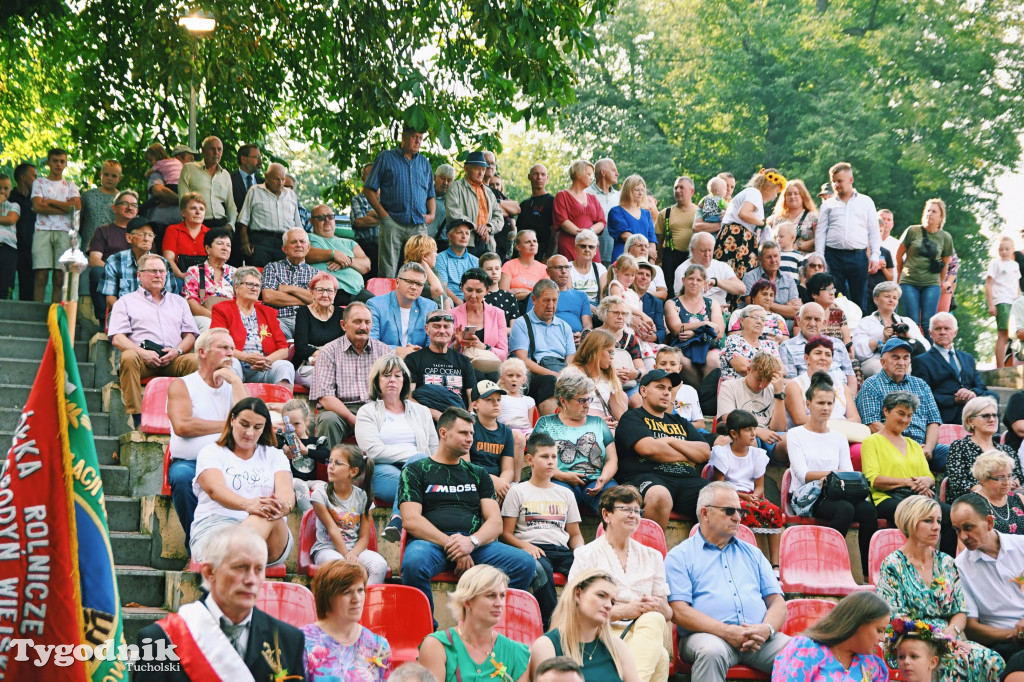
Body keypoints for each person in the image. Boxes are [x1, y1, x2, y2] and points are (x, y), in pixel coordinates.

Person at [398, 407, 534, 614]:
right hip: (432, 544)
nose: (470, 438)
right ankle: (425, 631)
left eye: (471, 433)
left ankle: (494, 625)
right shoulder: (416, 470)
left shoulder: (479, 473)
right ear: (443, 433)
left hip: (476, 545)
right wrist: (454, 545)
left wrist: (471, 542)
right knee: (413, 563)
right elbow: (411, 520)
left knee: (524, 563)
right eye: (463, 433)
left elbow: (495, 523)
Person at [136, 526, 305, 681]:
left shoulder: (289, 640)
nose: (251, 580)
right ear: (210, 572)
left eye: (258, 570)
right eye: (240, 567)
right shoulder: (159, 640)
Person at [665, 481, 790, 681]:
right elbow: (679, 611)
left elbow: (777, 602)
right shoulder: (680, 556)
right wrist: (727, 631)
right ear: (705, 513)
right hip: (709, 637)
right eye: (730, 510)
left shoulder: (754, 554)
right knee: (711, 652)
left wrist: (766, 629)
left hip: (760, 640)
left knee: (802, 651)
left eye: (739, 511)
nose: (738, 517)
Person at [876, 495, 1005, 681]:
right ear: (910, 522)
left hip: (948, 639)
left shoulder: (946, 562)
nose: (936, 526)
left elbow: (960, 611)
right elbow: (895, 618)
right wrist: (935, 638)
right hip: (910, 641)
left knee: (991, 660)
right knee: (945, 663)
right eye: (928, 521)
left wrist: (951, 632)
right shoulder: (893, 564)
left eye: (938, 521)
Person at [567, 485, 673, 682]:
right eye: (626, 509)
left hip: (644, 631)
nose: (633, 515)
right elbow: (573, 609)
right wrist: (625, 611)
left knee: (655, 620)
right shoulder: (587, 555)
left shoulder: (653, 556)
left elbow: (668, 613)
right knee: (660, 656)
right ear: (606, 515)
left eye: (636, 510)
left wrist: (657, 606)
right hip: (602, 631)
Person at [787, 371, 878, 576]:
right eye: (820, 403)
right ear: (808, 404)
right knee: (844, 510)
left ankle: (867, 573)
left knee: (867, 511)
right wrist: (833, 474)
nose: (826, 408)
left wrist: (835, 476)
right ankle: (824, 567)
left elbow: (848, 471)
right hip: (808, 495)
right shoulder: (795, 434)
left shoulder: (838, 437)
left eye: (829, 403)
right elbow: (802, 474)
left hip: (835, 491)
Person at [166, 328, 248, 551]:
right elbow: (183, 426)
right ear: (202, 352)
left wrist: (238, 384)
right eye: (223, 348)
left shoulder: (233, 386)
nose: (230, 353)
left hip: (228, 463)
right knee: (182, 477)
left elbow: (248, 424)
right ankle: (197, 547)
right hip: (189, 463)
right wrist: (229, 426)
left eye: (232, 348)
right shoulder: (183, 384)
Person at [190, 397, 295, 565]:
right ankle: (235, 559)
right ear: (232, 420)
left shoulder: (275, 455)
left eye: (257, 427)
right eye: (244, 425)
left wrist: (284, 506)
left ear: (264, 428)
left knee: (267, 512)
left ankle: (232, 558)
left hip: (270, 535)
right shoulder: (211, 452)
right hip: (217, 526)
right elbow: (214, 490)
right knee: (264, 510)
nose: (250, 433)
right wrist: (248, 505)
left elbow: (286, 491)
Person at [501, 432, 585, 627]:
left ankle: (581, 626)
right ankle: (552, 626)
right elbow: (505, 534)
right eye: (544, 457)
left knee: (588, 574)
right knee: (542, 571)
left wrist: (581, 551)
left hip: (561, 549)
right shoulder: (518, 491)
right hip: (533, 549)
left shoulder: (565, 493)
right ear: (529, 459)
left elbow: (575, 534)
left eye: (554, 457)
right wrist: (524, 546)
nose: (550, 462)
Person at [107, 253, 199, 425]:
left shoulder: (179, 302)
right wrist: (143, 353)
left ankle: (192, 415)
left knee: (196, 361)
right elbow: (117, 338)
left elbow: (190, 335)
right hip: (142, 361)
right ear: (139, 275)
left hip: (172, 358)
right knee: (127, 357)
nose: (158, 275)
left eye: (162, 272)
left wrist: (177, 351)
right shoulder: (125, 302)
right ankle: (137, 417)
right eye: (153, 271)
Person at [861, 393, 955, 555]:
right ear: (886, 411)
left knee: (952, 515)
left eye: (909, 415)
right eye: (901, 413)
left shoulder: (913, 445)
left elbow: (928, 476)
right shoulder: (872, 441)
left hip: (915, 497)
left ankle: (945, 564)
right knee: (920, 514)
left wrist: (926, 481)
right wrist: (908, 482)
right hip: (886, 498)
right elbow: (873, 479)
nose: (905, 420)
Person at [355, 354, 436, 542]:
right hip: (381, 471)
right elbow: (373, 451)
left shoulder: (422, 411)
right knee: (416, 465)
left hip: (422, 471)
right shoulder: (367, 411)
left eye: (398, 375)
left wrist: (419, 459)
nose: (392, 379)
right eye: (386, 375)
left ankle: (398, 519)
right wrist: (414, 454)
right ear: (377, 380)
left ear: (405, 381)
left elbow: (434, 448)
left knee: (416, 466)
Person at [615, 369, 711, 526]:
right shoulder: (632, 418)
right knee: (660, 496)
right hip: (647, 477)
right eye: (660, 387)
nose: (667, 393)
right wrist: (689, 455)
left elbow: (705, 452)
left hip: (688, 480)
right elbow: (649, 449)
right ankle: (650, 550)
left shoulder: (680, 421)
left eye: (669, 389)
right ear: (643, 391)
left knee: (720, 498)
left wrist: (670, 441)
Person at [951, 492, 1024, 679]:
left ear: (989, 523)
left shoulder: (1021, 546)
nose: (964, 536)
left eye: (968, 527)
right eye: (957, 530)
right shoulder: (960, 567)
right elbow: (973, 629)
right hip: (1006, 642)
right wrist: (1015, 633)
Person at [418, 564, 530, 682]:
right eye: (491, 595)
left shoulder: (516, 654)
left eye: (502, 595)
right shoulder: (437, 646)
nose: (499, 603)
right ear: (467, 601)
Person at [528, 569, 639, 682]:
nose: (609, 606)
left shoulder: (618, 647)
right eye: (601, 595)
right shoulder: (547, 645)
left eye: (612, 602)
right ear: (578, 594)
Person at [307, 301, 390, 446]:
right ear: (343, 325)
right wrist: (353, 419)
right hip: (340, 412)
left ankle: (386, 467)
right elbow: (326, 398)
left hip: (375, 410)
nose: (363, 327)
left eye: (367, 322)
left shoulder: (384, 351)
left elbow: (392, 391)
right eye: (357, 322)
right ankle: (328, 467)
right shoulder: (329, 351)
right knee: (328, 420)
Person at [534, 373, 618, 516]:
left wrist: (603, 479)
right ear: (563, 401)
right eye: (581, 400)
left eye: (589, 399)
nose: (587, 404)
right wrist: (562, 476)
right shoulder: (545, 424)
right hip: (558, 479)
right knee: (557, 501)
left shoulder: (598, 423)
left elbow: (612, 459)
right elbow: (536, 460)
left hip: (596, 480)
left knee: (619, 504)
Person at [857, 338, 946, 469]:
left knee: (959, 455)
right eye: (895, 358)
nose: (902, 363)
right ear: (883, 362)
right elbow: (872, 423)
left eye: (906, 358)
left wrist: (928, 448)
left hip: (923, 447)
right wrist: (905, 446)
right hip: (890, 447)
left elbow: (933, 421)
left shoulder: (920, 384)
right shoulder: (871, 384)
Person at [711, 410, 784, 567]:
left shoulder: (757, 454)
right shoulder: (722, 453)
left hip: (751, 496)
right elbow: (719, 485)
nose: (753, 434)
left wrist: (755, 497)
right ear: (734, 433)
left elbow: (759, 486)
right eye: (747, 430)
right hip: (728, 496)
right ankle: (747, 559)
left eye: (754, 429)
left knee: (773, 511)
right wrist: (744, 498)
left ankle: (775, 565)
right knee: (743, 509)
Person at [363, 124, 436, 279]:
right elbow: (368, 189)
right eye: (414, 137)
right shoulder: (385, 158)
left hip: (418, 223)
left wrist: (432, 215)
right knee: (388, 269)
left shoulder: (424, 162)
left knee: (421, 267)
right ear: (403, 137)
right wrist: (384, 216)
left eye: (421, 138)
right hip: (392, 221)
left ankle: (417, 301)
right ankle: (386, 300)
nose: (418, 141)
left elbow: (430, 194)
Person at [309, 445, 389, 583]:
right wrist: (347, 556)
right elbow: (332, 529)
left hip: (355, 551)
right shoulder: (320, 494)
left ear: (353, 471)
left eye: (338, 463)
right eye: (330, 461)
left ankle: (365, 603)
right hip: (326, 550)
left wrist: (352, 554)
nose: (331, 466)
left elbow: (364, 537)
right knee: (343, 566)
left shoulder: (363, 497)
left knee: (379, 565)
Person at [302, 559, 392, 681]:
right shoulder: (303, 642)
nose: (356, 599)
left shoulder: (378, 645)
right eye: (347, 592)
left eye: (360, 590)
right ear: (327, 597)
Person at [772, 591, 891, 681]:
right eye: (879, 630)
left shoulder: (873, 665)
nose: (882, 638)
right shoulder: (806, 650)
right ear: (859, 624)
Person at [211, 267, 295, 386]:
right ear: (237, 288)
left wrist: (266, 360)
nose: (255, 288)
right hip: (238, 362)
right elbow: (218, 344)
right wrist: (245, 357)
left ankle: (281, 404)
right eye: (250, 284)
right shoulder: (222, 309)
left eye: (257, 285)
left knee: (285, 366)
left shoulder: (268, 313)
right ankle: (234, 403)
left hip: (263, 367)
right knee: (230, 363)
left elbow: (283, 349)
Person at [815, 162, 882, 311]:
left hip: (858, 257)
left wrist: (875, 256)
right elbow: (821, 232)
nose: (836, 185)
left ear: (851, 180)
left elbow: (874, 230)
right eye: (833, 181)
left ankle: (859, 333)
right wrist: (820, 257)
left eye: (839, 181)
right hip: (833, 256)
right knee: (835, 299)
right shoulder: (827, 205)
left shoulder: (866, 202)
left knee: (859, 299)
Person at [911, 313, 996, 426]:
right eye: (938, 329)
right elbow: (921, 396)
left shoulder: (968, 358)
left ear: (955, 332)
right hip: (945, 412)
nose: (942, 332)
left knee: (992, 395)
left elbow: (980, 386)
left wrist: (972, 393)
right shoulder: (921, 361)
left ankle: (993, 438)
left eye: (947, 328)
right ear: (930, 333)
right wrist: (954, 400)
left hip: (972, 407)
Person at [508, 280, 576, 415]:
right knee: (550, 382)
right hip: (534, 376)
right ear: (534, 299)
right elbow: (523, 361)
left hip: (561, 372)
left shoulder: (564, 326)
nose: (551, 305)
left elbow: (571, 358)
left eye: (554, 300)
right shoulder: (522, 324)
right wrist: (556, 376)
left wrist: (565, 374)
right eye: (546, 300)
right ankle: (551, 429)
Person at [712, 169, 786, 287]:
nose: (775, 195)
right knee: (737, 278)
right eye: (776, 191)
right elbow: (744, 213)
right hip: (738, 239)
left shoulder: (753, 195)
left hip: (737, 237)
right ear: (768, 186)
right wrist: (762, 224)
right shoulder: (754, 193)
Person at [896, 198, 954, 343]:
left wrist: (940, 282)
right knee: (912, 321)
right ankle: (914, 355)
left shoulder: (945, 237)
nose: (930, 214)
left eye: (934, 211)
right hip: (909, 281)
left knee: (929, 322)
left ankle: (932, 353)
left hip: (931, 284)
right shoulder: (912, 231)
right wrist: (901, 273)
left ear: (941, 216)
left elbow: (946, 262)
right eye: (928, 210)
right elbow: (898, 254)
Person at [945, 396, 1023, 502]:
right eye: (986, 416)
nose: (992, 419)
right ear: (970, 421)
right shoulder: (960, 447)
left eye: (995, 415)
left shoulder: (1007, 450)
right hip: (973, 504)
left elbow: (1020, 482)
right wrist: (994, 489)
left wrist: (1014, 482)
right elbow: (958, 485)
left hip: (1007, 503)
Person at [717, 352, 789, 463]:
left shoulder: (773, 389)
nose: (762, 385)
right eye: (759, 379)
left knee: (791, 441)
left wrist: (779, 393)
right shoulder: (729, 386)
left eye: (767, 381)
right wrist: (757, 432)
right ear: (749, 370)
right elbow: (729, 419)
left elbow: (779, 429)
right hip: (743, 433)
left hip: (769, 436)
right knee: (749, 440)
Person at [405, 308, 478, 415]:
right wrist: (434, 415)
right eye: (436, 326)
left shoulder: (463, 361)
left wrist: (470, 416)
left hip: (458, 418)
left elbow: (473, 396)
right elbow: (408, 397)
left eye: (446, 326)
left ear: (453, 330)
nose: (442, 331)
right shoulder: (413, 359)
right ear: (426, 329)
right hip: (426, 419)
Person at [30, 147, 81, 302]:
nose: (58, 164)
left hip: (64, 232)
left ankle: (55, 314)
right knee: (41, 275)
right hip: (42, 230)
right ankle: (36, 313)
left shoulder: (71, 185)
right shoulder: (39, 183)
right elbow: (38, 206)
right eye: (55, 161)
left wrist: (50, 201)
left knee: (59, 277)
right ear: (49, 163)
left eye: (62, 161)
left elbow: (76, 207)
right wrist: (64, 207)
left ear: (66, 164)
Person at [664, 263, 724, 387]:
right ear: (683, 280)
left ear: (704, 283)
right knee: (681, 361)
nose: (694, 282)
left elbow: (719, 331)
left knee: (714, 360)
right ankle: (699, 394)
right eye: (691, 278)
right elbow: (676, 329)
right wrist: (704, 323)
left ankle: (707, 397)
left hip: (707, 344)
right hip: (682, 346)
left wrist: (694, 334)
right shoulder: (672, 303)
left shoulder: (712, 303)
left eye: (699, 280)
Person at [853, 281, 929, 378]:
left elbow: (926, 347)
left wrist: (908, 337)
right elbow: (858, 352)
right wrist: (882, 340)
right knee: (885, 369)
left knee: (910, 368)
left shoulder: (906, 322)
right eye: (887, 296)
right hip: (875, 360)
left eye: (895, 298)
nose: (891, 300)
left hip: (902, 360)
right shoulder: (866, 322)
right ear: (876, 299)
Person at [781, 302, 857, 395]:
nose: (812, 323)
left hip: (842, 396)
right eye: (808, 318)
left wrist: (850, 398)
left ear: (824, 323)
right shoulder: (787, 347)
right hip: (809, 398)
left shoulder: (838, 344)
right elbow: (792, 382)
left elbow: (850, 376)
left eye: (817, 319)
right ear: (798, 320)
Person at [305, 204, 373, 306]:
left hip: (358, 292)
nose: (327, 220)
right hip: (328, 293)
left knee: (378, 308)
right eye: (321, 217)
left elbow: (366, 265)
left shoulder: (349, 243)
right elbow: (303, 255)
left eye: (330, 216)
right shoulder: (307, 237)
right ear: (311, 221)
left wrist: (347, 260)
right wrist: (333, 254)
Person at [784, 336, 860, 426]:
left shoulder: (841, 386)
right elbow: (800, 419)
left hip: (841, 434)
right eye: (818, 353)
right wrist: (837, 423)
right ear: (806, 358)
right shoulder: (795, 385)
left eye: (828, 355)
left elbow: (856, 419)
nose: (823, 358)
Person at [86, 189, 138, 321]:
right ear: (114, 208)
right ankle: (104, 323)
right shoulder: (103, 231)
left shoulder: (144, 234)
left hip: (136, 277)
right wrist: (117, 272)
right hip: (110, 275)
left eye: (134, 205)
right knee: (97, 272)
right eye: (125, 203)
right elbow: (94, 260)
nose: (129, 207)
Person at [260, 228, 317, 339]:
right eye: (293, 242)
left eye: (302, 241)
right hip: (278, 320)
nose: (298, 245)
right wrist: (306, 299)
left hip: (307, 322)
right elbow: (268, 297)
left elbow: (319, 300)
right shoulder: (272, 267)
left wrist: (290, 289)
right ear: (284, 249)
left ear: (308, 247)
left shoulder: (316, 274)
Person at [468, 380, 520, 502]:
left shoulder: (506, 432)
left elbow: (508, 469)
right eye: (489, 399)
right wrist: (492, 481)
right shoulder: (469, 427)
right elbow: (466, 466)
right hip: (474, 479)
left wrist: (502, 485)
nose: (496, 403)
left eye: (498, 400)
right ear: (475, 405)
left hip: (499, 482)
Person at [451, 268, 509, 376]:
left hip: (490, 367)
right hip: (461, 367)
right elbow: (443, 351)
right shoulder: (452, 314)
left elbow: (504, 353)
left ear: (487, 291)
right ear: (462, 288)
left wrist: (484, 347)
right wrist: (457, 344)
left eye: (478, 291)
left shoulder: (497, 314)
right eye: (469, 290)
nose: (473, 295)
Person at [584, 296, 645, 398]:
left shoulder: (630, 338)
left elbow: (642, 369)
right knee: (620, 397)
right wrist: (610, 374)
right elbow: (585, 365)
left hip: (628, 385)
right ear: (604, 313)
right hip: (600, 384)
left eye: (624, 313)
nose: (620, 317)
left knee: (638, 400)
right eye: (615, 313)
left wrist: (635, 373)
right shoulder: (591, 335)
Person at [291, 272, 343, 388]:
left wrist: (327, 358)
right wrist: (324, 356)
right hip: (307, 365)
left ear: (335, 293)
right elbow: (301, 347)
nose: (325, 294)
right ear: (312, 293)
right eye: (320, 290)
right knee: (324, 377)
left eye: (330, 290)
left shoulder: (342, 314)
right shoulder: (303, 312)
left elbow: (345, 344)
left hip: (335, 364)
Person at [445, 151, 503, 256]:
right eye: (477, 169)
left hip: (487, 243)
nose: (481, 173)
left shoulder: (489, 192)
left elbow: (499, 216)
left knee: (486, 272)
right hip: (464, 243)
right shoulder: (456, 187)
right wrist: (475, 227)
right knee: (466, 272)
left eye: (483, 169)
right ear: (466, 168)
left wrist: (489, 228)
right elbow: (454, 213)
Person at [568, 329, 627, 426]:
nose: (612, 357)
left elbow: (619, 411)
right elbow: (568, 410)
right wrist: (595, 424)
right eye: (610, 352)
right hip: (581, 425)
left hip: (606, 424)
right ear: (596, 350)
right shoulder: (572, 373)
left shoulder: (609, 375)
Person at [182, 227, 235, 333]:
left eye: (228, 245)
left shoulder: (235, 273)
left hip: (231, 318)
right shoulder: (195, 271)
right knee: (208, 325)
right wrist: (216, 317)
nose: (225, 248)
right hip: (204, 316)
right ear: (208, 248)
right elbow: (191, 303)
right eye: (220, 243)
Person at [179, 136, 236, 234]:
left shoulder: (225, 174)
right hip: (198, 222)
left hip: (221, 224)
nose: (216, 152)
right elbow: (183, 200)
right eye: (212, 149)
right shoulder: (189, 168)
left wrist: (230, 224)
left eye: (219, 149)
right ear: (203, 151)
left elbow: (230, 205)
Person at [555, 160, 606, 262]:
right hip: (570, 243)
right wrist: (582, 234)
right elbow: (563, 220)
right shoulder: (562, 195)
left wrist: (589, 233)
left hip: (591, 244)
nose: (592, 178)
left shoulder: (592, 198)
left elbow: (602, 221)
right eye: (589, 174)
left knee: (594, 273)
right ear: (578, 174)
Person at [655, 176, 697, 299]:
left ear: (692, 191)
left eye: (681, 187)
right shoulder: (665, 213)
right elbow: (658, 241)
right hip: (671, 258)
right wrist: (661, 260)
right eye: (675, 188)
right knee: (671, 293)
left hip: (693, 258)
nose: (678, 190)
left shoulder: (699, 212)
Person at [535, 255, 593, 340]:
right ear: (548, 271)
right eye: (558, 267)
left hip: (578, 340)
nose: (564, 271)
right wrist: (566, 337)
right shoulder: (539, 293)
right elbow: (535, 322)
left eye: (567, 267)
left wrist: (582, 337)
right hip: (550, 339)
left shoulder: (581, 295)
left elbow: (587, 324)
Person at [741, 241, 801, 322]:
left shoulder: (788, 279)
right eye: (769, 257)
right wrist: (784, 308)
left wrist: (765, 303)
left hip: (784, 323)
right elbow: (752, 305)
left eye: (776, 256)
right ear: (760, 259)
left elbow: (795, 311)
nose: (773, 260)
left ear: (780, 257)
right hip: (758, 320)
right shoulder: (750, 277)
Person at [969, 451, 1024, 535]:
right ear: (983, 479)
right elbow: (966, 544)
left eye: (1009, 476)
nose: (1007, 482)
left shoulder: (1019, 499)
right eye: (1000, 478)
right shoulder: (972, 505)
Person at [720, 305, 780, 381]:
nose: (759, 321)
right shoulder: (733, 340)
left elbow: (780, 370)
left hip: (767, 386)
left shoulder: (770, 344)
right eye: (755, 317)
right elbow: (743, 368)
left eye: (762, 319)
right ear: (742, 321)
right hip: (739, 387)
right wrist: (769, 373)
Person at [987, 236, 1021, 367]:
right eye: (1001, 249)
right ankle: (1000, 367)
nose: (1004, 252)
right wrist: (991, 304)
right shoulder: (995, 263)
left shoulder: (1015, 265)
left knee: (1015, 334)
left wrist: (1019, 300)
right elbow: (989, 284)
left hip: (1015, 302)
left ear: (1013, 249)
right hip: (1002, 301)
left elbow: (1017, 283)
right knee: (1003, 334)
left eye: (1007, 249)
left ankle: (1013, 364)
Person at [727, 279, 790, 349]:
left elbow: (785, 344)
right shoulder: (739, 314)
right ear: (753, 296)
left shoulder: (778, 318)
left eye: (771, 295)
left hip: (774, 353)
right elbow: (733, 339)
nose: (768, 298)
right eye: (764, 294)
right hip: (747, 350)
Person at [162, 192, 209, 285]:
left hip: (207, 278)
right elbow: (168, 258)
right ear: (183, 213)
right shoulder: (173, 230)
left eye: (201, 209)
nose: (198, 212)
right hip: (179, 278)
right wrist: (180, 275)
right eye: (193, 208)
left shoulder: (211, 233)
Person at [606, 175, 656, 262]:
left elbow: (652, 238)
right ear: (628, 191)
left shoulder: (646, 214)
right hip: (624, 258)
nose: (640, 193)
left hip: (644, 259)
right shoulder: (616, 212)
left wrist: (651, 262)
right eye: (637, 190)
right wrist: (647, 250)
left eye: (642, 190)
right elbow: (626, 237)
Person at [767, 178, 818, 255]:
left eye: (796, 193)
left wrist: (798, 245)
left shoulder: (814, 217)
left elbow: (819, 241)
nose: (792, 196)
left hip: (804, 263)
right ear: (784, 197)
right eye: (789, 194)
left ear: (803, 196)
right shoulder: (774, 219)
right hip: (779, 263)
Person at [435, 220, 481, 305]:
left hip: (471, 299)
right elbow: (443, 287)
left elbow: (478, 286)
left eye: (467, 233)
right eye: (459, 233)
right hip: (451, 300)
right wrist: (457, 301)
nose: (464, 236)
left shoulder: (475, 261)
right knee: (447, 301)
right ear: (449, 236)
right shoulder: (440, 258)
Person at [80, 160, 121, 252]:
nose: (109, 178)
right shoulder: (88, 196)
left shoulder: (122, 199)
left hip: (112, 247)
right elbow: (79, 221)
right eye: (106, 174)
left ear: (120, 178)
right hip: (88, 246)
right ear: (100, 174)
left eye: (114, 176)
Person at [10, 163, 38, 301]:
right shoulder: (8, 197)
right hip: (9, 248)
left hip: (30, 250)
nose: (37, 180)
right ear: (23, 178)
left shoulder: (37, 201)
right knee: (5, 283)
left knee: (28, 288)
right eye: (34, 176)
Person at [519, 164, 556, 261]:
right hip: (522, 255)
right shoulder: (524, 204)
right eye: (536, 174)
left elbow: (555, 233)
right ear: (529, 177)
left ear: (547, 178)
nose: (539, 177)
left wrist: (548, 256)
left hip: (541, 255)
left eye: (543, 174)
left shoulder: (552, 202)